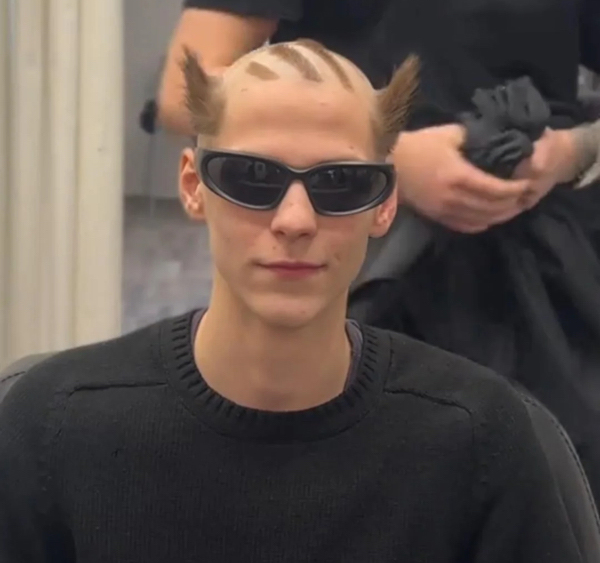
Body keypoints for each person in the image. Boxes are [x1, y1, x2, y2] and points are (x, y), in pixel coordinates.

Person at [0, 41, 584, 562]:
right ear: (194, 186)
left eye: (340, 183)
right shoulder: (51, 427)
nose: (295, 220)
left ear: (384, 203)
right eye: (251, 177)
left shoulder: (481, 440)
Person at [157, 0, 600, 503]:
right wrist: (389, 158)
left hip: (549, 284)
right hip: (350, 254)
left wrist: (571, 152)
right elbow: (188, 88)